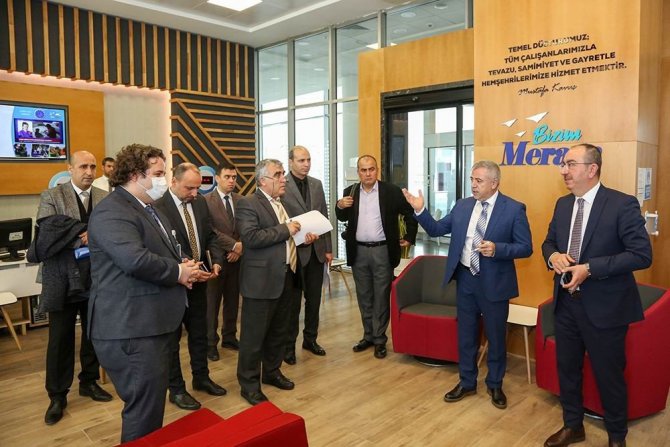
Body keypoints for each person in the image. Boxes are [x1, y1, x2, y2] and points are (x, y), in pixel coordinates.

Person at [87, 144, 202, 442]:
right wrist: (178, 272)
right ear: (135, 175)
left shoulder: (149, 208)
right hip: (130, 329)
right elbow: (134, 260)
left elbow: (161, 251)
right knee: (143, 413)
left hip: (150, 323)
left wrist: (183, 265)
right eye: (159, 174)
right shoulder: (112, 211)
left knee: (150, 409)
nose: (164, 180)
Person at [541, 144, 652, 447]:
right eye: (563, 164)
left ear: (592, 169)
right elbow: (548, 243)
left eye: (570, 164)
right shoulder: (563, 204)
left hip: (606, 309)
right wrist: (553, 257)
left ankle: (617, 436)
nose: (563, 170)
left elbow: (641, 254)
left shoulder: (621, 204)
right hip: (566, 305)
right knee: (568, 370)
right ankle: (573, 426)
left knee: (609, 375)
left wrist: (590, 268)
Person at [403, 160, 532, 409]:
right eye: (472, 179)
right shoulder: (462, 206)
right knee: (466, 335)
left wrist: (498, 249)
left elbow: (526, 247)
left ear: (494, 183)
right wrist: (421, 211)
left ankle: (495, 384)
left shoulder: (514, 209)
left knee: (496, 337)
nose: (473, 185)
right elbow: (436, 229)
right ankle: (467, 381)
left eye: (479, 181)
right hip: (466, 279)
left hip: (495, 283)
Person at [34, 150, 112, 426]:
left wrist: (92, 233)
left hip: (96, 277)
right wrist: (84, 234)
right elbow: (48, 233)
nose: (89, 172)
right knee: (60, 339)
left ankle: (89, 381)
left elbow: (112, 230)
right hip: (62, 278)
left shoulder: (105, 197)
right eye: (83, 167)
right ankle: (57, 395)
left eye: (92, 166)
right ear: (70, 169)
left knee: (93, 334)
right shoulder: (52, 196)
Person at [235, 159, 314, 406]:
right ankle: (249, 384)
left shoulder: (284, 204)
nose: (284, 179)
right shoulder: (248, 203)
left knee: (279, 331)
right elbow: (251, 237)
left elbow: (288, 239)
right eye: (278, 175)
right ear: (262, 181)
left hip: (287, 276)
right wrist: (286, 229)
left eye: (282, 174)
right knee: (253, 337)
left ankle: (271, 371)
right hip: (260, 281)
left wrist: (303, 239)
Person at [154, 163, 226, 411]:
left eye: (198, 188)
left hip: (200, 282)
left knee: (199, 333)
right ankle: (176, 389)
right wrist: (184, 268)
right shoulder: (157, 207)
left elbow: (210, 236)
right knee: (172, 340)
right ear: (173, 182)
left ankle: (201, 378)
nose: (195, 193)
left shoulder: (200, 202)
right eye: (189, 188)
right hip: (172, 286)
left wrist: (216, 261)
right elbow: (158, 250)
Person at [335, 155, 417, 359]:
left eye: (371, 169)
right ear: (358, 173)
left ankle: (380, 339)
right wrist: (340, 206)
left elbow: (410, 213)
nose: (368, 173)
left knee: (381, 296)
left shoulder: (391, 191)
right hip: (358, 251)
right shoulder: (350, 192)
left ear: (377, 170)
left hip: (382, 250)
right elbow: (342, 217)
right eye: (363, 170)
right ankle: (368, 336)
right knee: (364, 296)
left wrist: (409, 236)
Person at [281, 145, 333, 364]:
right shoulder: (282, 184)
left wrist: (328, 248)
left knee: (314, 300)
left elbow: (324, 215)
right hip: (294, 252)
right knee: (293, 304)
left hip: (316, 251)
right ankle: (288, 347)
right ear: (291, 162)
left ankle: (310, 340)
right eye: (301, 160)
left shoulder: (317, 184)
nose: (306, 164)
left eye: (308, 160)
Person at [205, 162, 243, 360]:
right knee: (212, 304)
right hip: (216, 259)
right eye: (227, 177)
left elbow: (246, 226)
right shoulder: (205, 201)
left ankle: (229, 337)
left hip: (237, 260)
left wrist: (239, 247)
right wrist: (233, 245)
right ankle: (210, 343)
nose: (231, 181)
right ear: (217, 178)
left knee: (232, 301)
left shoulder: (241, 200)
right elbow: (210, 230)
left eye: (234, 177)